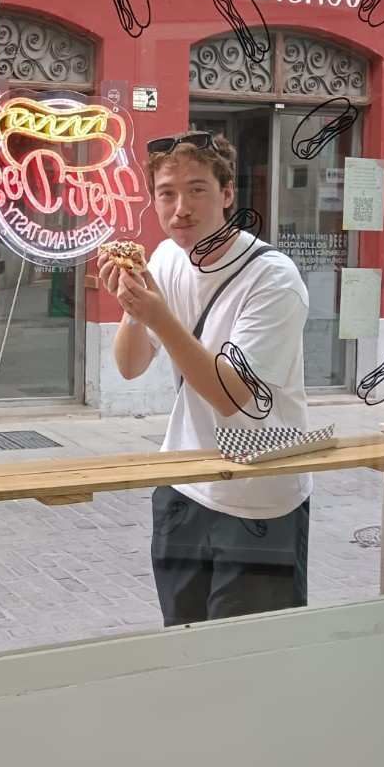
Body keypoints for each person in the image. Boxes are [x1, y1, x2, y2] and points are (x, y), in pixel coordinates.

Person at [99, 130, 311, 625]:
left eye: (197, 190)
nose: (181, 208)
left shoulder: (272, 278)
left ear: (228, 194)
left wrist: (159, 317)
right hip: (184, 488)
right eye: (166, 193)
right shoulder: (166, 258)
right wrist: (132, 307)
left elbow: (232, 395)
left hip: (259, 496)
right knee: (184, 643)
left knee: (249, 661)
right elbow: (130, 366)